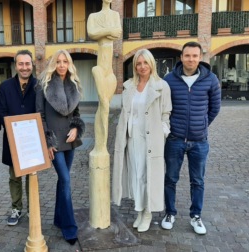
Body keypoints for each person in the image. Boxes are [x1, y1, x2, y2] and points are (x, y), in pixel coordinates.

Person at [161, 42, 221, 235]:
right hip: (175, 139)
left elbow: (214, 108)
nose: (191, 59)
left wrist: (201, 126)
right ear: (181, 57)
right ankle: (170, 213)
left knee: (198, 181)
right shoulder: (169, 79)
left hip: (199, 142)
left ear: (200, 58)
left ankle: (196, 216)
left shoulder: (210, 79)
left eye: (195, 56)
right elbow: (163, 107)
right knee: (170, 178)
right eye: (187, 55)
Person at [112, 49, 172, 233]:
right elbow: (126, 111)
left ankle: (148, 213)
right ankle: (139, 210)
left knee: (148, 175)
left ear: (151, 64)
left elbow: (166, 114)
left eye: (145, 62)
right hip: (132, 138)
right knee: (135, 175)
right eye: (139, 63)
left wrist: (162, 132)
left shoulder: (162, 86)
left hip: (151, 138)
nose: (142, 66)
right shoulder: (129, 86)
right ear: (135, 67)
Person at [35, 50, 85, 245]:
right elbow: (40, 115)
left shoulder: (74, 85)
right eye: (58, 61)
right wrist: (47, 142)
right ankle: (69, 227)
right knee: (65, 180)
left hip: (69, 139)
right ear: (53, 64)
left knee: (62, 181)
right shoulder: (43, 85)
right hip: (54, 141)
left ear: (69, 64)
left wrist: (75, 128)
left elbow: (77, 113)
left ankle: (58, 218)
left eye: (65, 61)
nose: (62, 65)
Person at [0, 50, 36, 226]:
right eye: (21, 64)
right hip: (13, 140)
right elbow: (1, 111)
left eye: (27, 63)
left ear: (32, 65)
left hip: (33, 141)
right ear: (15, 65)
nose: (24, 67)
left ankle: (32, 208)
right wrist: (14, 130)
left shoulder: (39, 85)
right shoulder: (5, 86)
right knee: (14, 176)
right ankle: (16, 208)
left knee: (31, 175)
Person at [87, 0, 122, 154]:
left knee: (103, 108)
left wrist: (103, 31)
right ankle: (101, 147)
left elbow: (118, 33)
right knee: (105, 107)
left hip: (110, 73)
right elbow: (92, 33)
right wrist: (109, 31)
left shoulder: (115, 14)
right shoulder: (93, 16)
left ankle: (101, 146)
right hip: (100, 68)